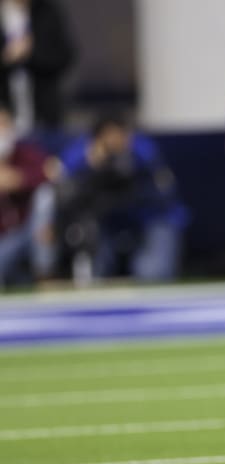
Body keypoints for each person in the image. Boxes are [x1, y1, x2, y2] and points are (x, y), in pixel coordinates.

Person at [58, 113, 184, 283]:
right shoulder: (85, 153)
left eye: (118, 134)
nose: (114, 141)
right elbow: (63, 176)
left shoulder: (141, 148)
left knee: (152, 274)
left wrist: (128, 160)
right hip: (108, 222)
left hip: (152, 218)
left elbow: (164, 191)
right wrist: (91, 166)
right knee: (94, 272)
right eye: (108, 136)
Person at [0, 0, 74, 148]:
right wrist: (6, 57)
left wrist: (32, 52)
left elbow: (65, 55)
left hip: (44, 114)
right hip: (5, 114)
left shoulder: (47, 11)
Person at [0, 104, 48, 287]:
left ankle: (45, 274)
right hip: (3, 237)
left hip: (28, 230)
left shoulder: (26, 152)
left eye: (3, 124)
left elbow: (50, 173)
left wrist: (20, 179)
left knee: (46, 198)